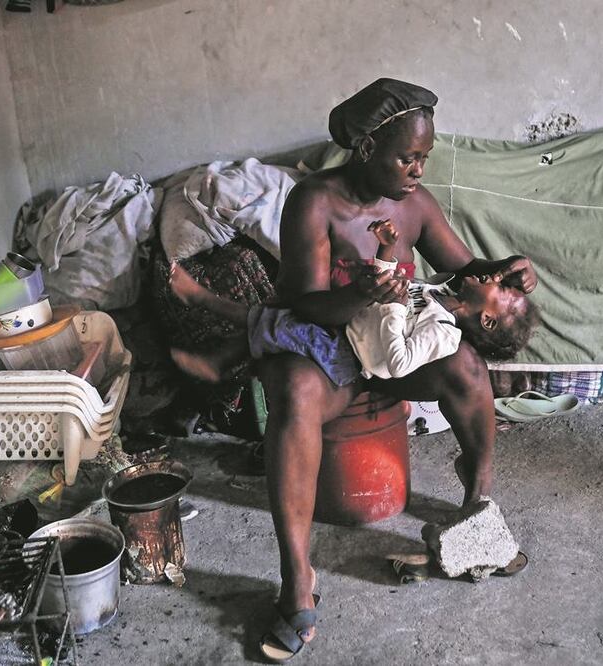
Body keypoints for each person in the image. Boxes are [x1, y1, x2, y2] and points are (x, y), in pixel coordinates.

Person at [208, 78, 538, 662]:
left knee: (464, 362)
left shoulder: (413, 205)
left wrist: (505, 268)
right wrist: (361, 291)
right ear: (366, 150)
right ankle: (297, 576)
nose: (418, 171)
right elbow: (302, 303)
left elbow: (465, 268)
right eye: (408, 158)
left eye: (424, 158)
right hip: (330, 354)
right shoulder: (315, 202)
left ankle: (477, 503)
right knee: (293, 388)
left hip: (394, 358)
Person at [167, 219, 539, 384]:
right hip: (350, 328)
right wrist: (386, 249)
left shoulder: (444, 333)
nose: (498, 278)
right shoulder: (439, 292)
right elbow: (389, 285)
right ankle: (219, 347)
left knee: (280, 324)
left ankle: (205, 310)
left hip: (346, 355)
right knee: (281, 314)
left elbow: (399, 364)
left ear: (488, 320)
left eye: (503, 292)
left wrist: (393, 307)